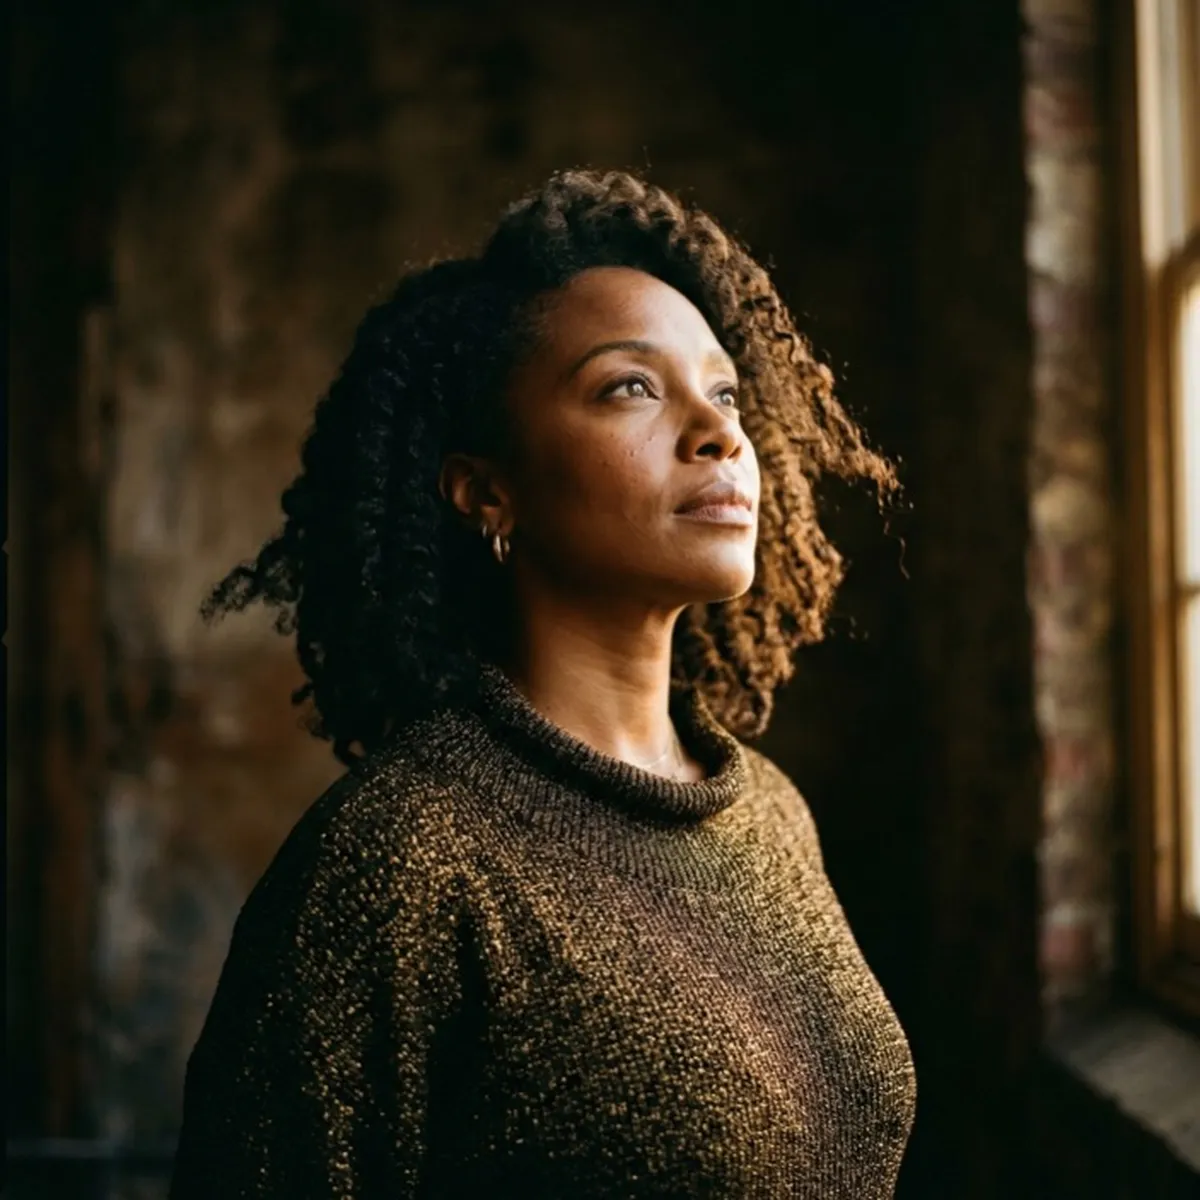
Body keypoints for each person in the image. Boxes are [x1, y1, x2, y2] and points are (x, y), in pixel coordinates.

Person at [168, 167, 917, 1199]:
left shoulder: (771, 816)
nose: (718, 432)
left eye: (726, 391)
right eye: (631, 388)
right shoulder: (401, 864)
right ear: (487, 491)